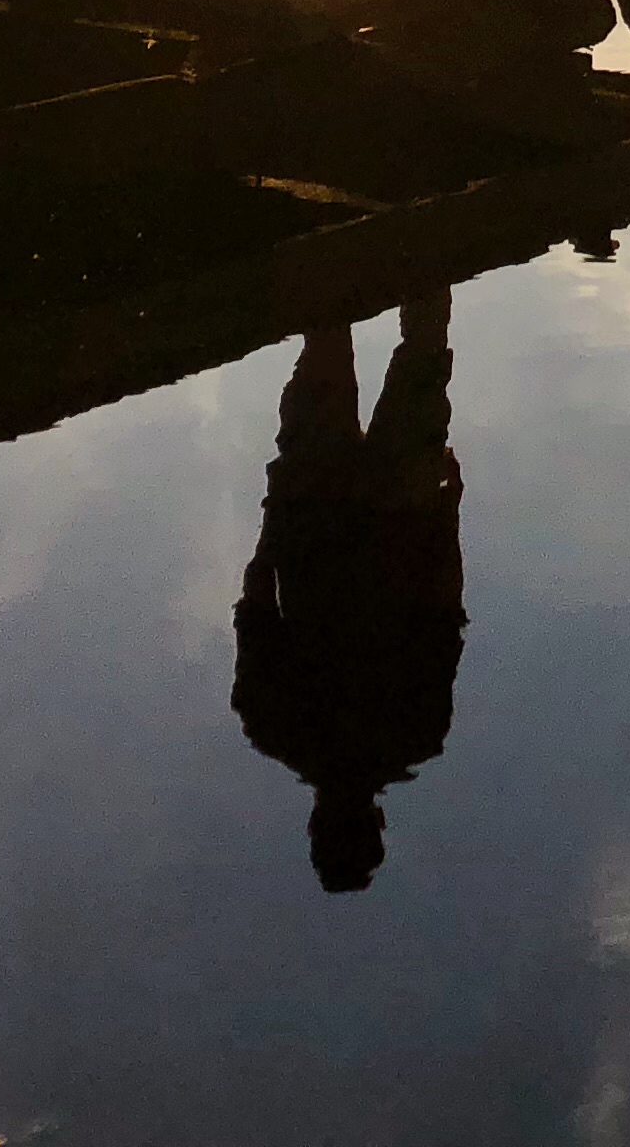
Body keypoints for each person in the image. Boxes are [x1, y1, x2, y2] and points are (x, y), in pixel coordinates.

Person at [229, 293, 467, 892]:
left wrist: (448, 512)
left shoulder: (419, 732)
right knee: (327, 332)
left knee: (423, 348)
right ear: (313, 825)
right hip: (315, 506)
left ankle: (429, 232)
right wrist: (278, 505)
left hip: (399, 509)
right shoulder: (272, 727)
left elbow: (442, 608)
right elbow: (257, 597)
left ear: (378, 823)